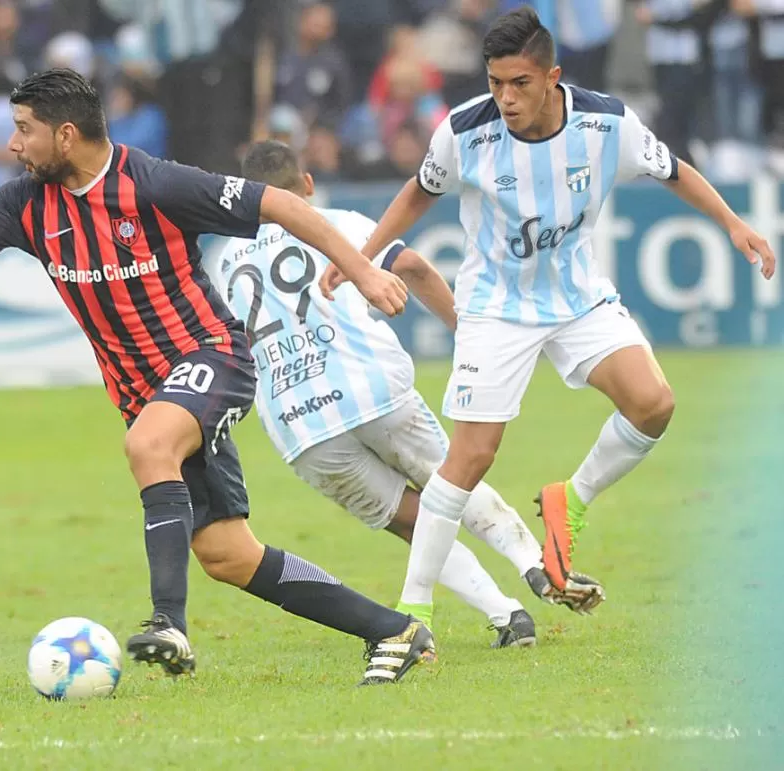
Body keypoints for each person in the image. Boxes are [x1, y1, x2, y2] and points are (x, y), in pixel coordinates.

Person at [0, 68, 432, 686]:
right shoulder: (24, 202)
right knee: (228, 555)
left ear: (66, 136)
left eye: (24, 131)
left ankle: (167, 623)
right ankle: (394, 630)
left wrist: (363, 272)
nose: (13, 145)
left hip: (213, 356)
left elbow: (282, 204)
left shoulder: (154, 183)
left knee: (149, 445)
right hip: (144, 393)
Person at [320, 7, 776, 613]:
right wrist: (361, 257)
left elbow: (672, 170)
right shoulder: (463, 131)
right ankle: (415, 610)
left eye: (521, 84)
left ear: (553, 76)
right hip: (494, 307)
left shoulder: (607, 123)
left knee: (653, 403)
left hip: (577, 296)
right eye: (495, 83)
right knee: (470, 459)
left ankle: (572, 500)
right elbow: (415, 196)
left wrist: (733, 223)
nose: (506, 98)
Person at [219, 141, 604, 649]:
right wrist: (463, 330)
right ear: (307, 185)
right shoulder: (337, 222)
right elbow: (416, 267)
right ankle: (535, 565)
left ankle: (506, 615)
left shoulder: (224, 262)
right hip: (373, 388)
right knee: (452, 483)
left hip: (301, 426)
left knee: (413, 522)